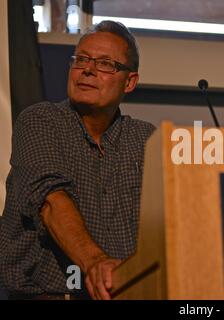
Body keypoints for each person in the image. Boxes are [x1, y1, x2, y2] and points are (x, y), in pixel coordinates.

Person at [0, 21, 155, 300]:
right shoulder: (41, 121)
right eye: (81, 59)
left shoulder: (145, 139)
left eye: (105, 64)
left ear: (129, 82)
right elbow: (49, 201)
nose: (87, 69)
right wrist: (95, 263)